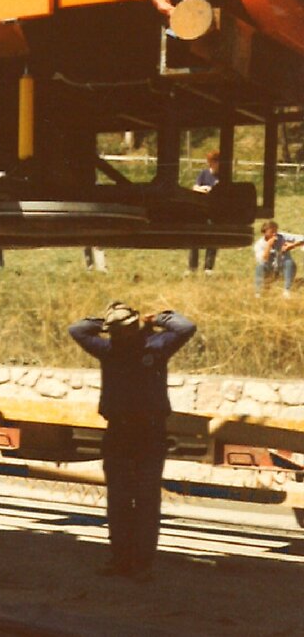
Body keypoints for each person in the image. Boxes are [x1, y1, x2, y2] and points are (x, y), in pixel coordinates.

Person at [68, 302, 196, 580]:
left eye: (124, 328)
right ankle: (120, 560)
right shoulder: (108, 349)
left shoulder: (156, 345)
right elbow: (76, 329)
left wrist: (159, 318)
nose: (120, 335)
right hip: (118, 432)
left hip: (150, 433)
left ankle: (142, 565)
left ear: (135, 325)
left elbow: (186, 327)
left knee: (147, 501)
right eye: (116, 330)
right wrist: (104, 321)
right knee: (119, 500)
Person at [187, 150, 221, 275]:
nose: (213, 164)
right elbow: (195, 187)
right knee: (195, 236)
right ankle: (192, 267)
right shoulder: (204, 174)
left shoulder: (222, 176)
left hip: (214, 210)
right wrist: (203, 189)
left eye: (215, 162)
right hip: (201, 209)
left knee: (213, 238)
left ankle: (208, 267)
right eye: (212, 162)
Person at [253, 220, 304, 298]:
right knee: (259, 267)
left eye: (275, 231)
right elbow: (263, 260)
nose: (274, 234)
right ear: (264, 232)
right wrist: (268, 246)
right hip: (269, 271)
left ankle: (287, 291)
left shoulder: (282, 237)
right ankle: (258, 293)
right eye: (272, 232)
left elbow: (302, 239)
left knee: (289, 263)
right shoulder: (259, 245)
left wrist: (292, 245)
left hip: (282, 269)